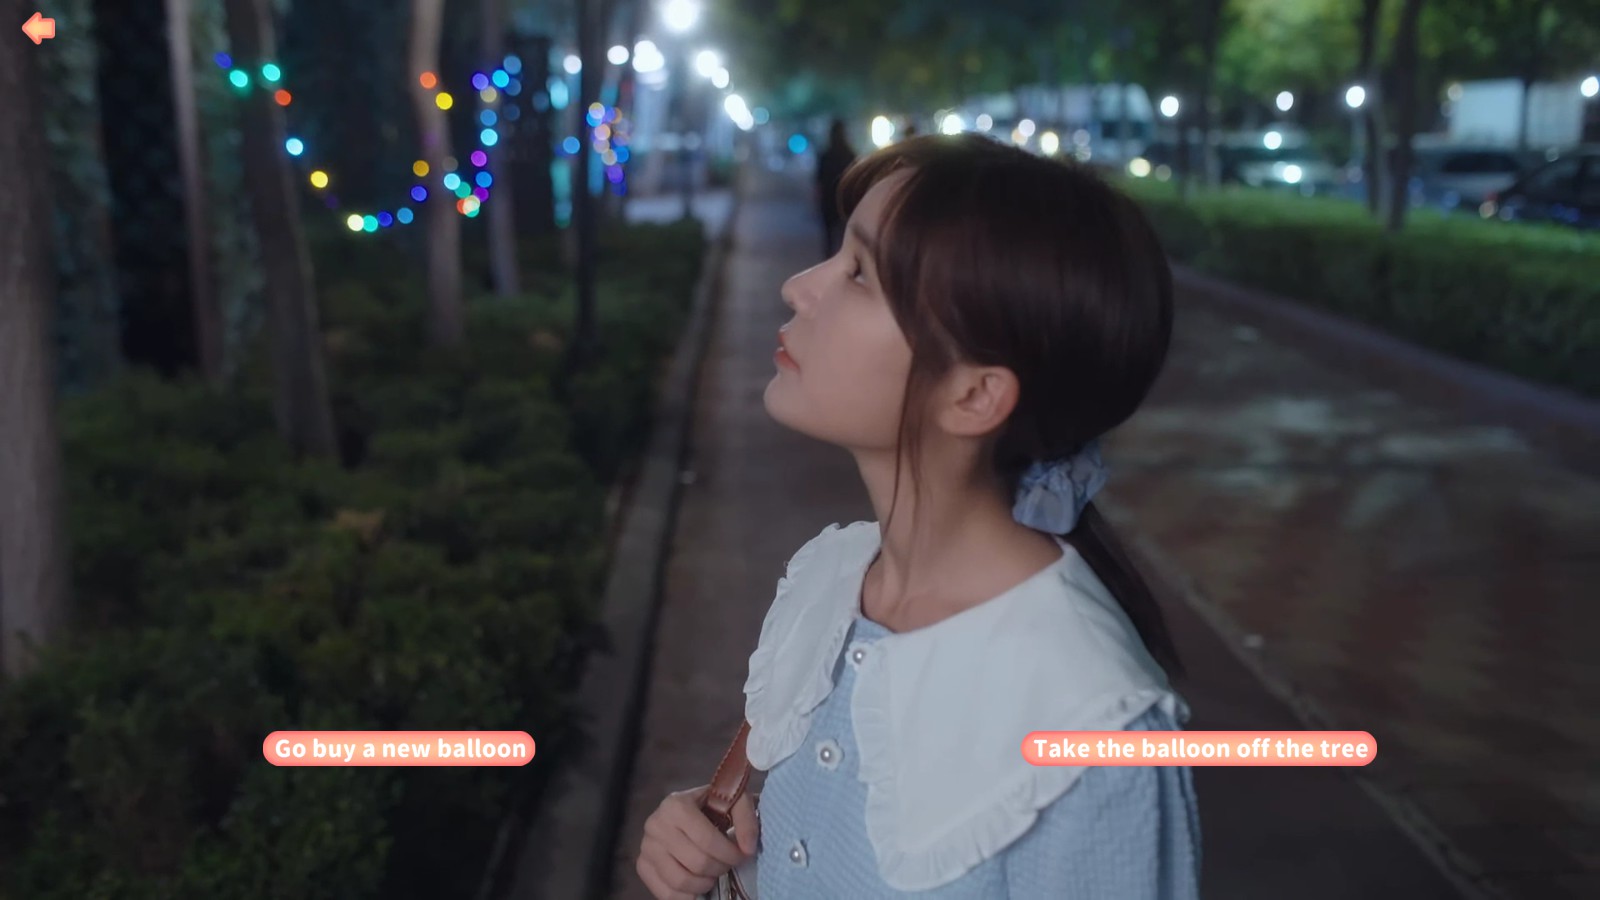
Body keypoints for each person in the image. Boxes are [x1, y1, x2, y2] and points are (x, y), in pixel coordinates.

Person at [635, 133, 1201, 899]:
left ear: (974, 395)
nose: (799, 286)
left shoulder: (1091, 724)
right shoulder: (834, 579)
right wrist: (723, 856)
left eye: (859, 274)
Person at [814, 118, 857, 258]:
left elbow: (819, 181)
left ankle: (830, 263)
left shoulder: (826, 156)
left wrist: (817, 200)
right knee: (845, 238)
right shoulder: (849, 155)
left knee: (829, 239)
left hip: (828, 201)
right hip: (845, 201)